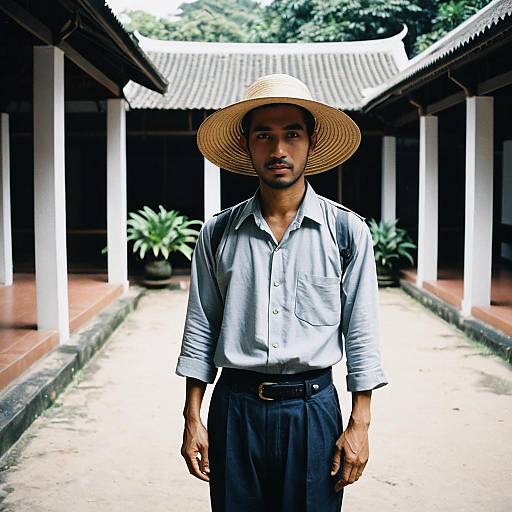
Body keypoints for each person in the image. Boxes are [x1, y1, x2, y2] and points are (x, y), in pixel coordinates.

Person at [175, 73, 388, 512]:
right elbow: (202, 325)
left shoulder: (346, 231)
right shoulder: (218, 233)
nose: (278, 150)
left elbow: (361, 331)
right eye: (264, 136)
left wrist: (361, 422)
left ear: (310, 142)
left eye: (292, 134)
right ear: (247, 144)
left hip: (313, 413)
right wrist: (192, 416)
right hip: (235, 410)